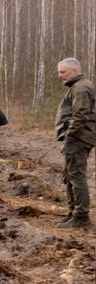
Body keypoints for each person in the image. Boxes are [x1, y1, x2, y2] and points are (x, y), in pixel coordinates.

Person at [54, 58, 95, 228]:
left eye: (63, 72)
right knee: (70, 176)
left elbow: (80, 115)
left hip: (78, 138)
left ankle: (81, 217)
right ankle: (73, 213)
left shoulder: (81, 87)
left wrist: (70, 136)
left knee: (76, 176)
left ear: (75, 71)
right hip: (76, 138)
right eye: (59, 72)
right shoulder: (78, 86)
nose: (59, 76)